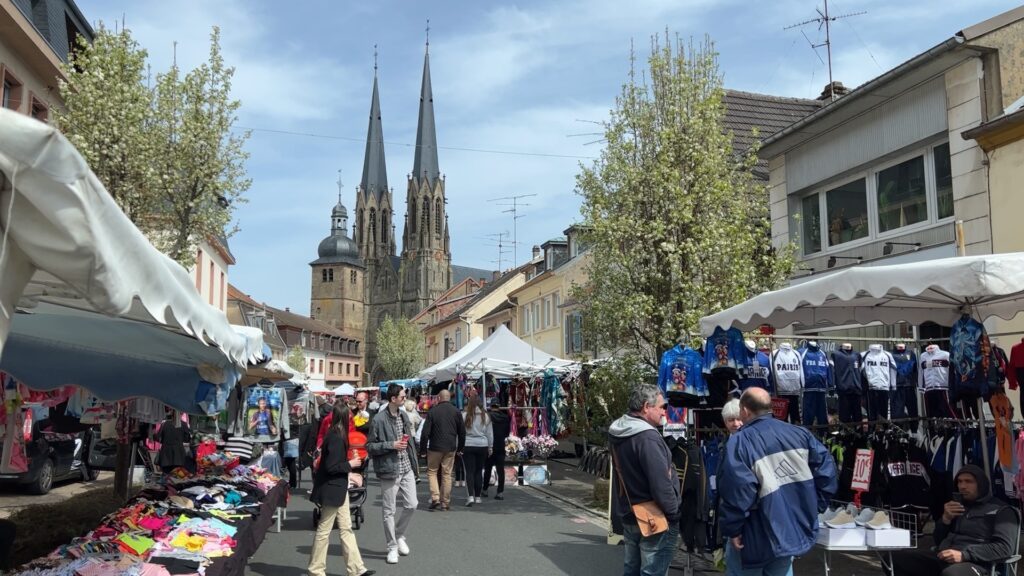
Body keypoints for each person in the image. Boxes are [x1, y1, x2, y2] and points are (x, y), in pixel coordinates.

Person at [718, 388, 837, 576]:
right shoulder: (799, 434)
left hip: (754, 533)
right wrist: (813, 508)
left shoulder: (740, 442)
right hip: (789, 530)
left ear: (745, 411)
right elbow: (827, 472)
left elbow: (738, 491)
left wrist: (733, 529)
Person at [608, 383, 681, 576]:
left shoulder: (619, 430)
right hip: (653, 515)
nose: (664, 411)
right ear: (646, 407)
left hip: (630, 510)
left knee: (631, 568)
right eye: (661, 406)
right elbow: (660, 482)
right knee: (652, 571)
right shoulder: (647, 437)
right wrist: (673, 513)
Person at [890, 464, 1016, 575]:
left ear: (981, 484)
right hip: (944, 556)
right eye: (959, 482)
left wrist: (964, 555)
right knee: (894, 559)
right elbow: (938, 540)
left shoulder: (1002, 510)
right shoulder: (957, 505)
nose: (962, 486)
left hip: (978, 563)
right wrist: (945, 519)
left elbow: (1004, 547)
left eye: (968, 481)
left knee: (951, 573)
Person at [307, 403, 374, 576]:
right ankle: (316, 570)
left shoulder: (334, 434)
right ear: (346, 418)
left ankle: (356, 569)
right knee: (325, 530)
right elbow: (331, 467)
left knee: (345, 528)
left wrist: (348, 470)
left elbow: (329, 465)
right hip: (333, 488)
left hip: (337, 487)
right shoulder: (337, 437)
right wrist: (350, 465)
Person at [367, 384, 419, 565]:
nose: (405, 400)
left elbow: (409, 440)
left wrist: (415, 463)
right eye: (403, 397)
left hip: (406, 467)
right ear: (393, 399)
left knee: (412, 504)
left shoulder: (404, 415)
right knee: (389, 511)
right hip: (389, 469)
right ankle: (392, 547)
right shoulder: (378, 419)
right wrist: (391, 445)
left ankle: (399, 535)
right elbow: (370, 446)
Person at [419, 389, 466, 511]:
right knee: (447, 474)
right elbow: (462, 432)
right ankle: (445, 502)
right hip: (450, 447)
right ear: (449, 398)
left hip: (435, 447)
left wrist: (423, 450)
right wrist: (460, 448)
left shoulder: (433, 411)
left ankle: (435, 498)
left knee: (432, 472)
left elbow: (425, 433)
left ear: (439, 398)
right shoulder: (456, 412)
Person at [716, 399, 745, 575]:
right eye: (730, 420)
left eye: (738, 418)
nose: (735, 424)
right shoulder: (725, 444)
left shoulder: (745, 443)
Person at [461, 397, 493, 506]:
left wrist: (459, 446)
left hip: (468, 444)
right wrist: (490, 447)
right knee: (479, 471)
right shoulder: (486, 416)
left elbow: (460, 433)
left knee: (469, 472)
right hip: (482, 445)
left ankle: (470, 496)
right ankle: (478, 497)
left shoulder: (464, 416)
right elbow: (489, 434)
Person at [483, 402, 511, 500]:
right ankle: (500, 492)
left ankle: (485, 490)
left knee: (488, 468)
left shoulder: (487, 416)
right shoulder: (506, 417)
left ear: (491, 406)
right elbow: (507, 433)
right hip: (500, 445)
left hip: (490, 445)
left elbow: (485, 431)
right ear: (499, 407)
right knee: (500, 470)